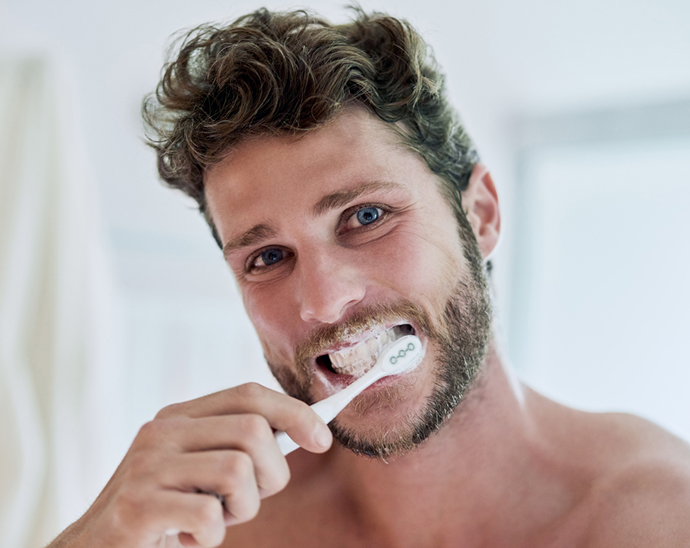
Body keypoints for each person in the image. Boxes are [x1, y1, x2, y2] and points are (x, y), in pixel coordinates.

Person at [49, 7, 690, 548]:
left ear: (483, 215)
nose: (324, 302)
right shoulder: (217, 530)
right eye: (267, 257)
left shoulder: (661, 518)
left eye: (367, 216)